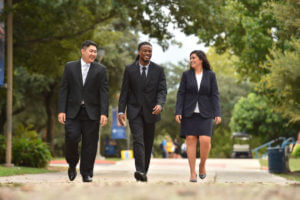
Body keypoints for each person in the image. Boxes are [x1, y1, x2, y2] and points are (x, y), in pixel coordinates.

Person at [58, 40, 109, 182]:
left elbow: (104, 93)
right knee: (71, 138)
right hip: (72, 112)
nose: (93, 54)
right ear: (83, 51)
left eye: (95, 52)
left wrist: (104, 113)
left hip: (92, 113)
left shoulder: (101, 70)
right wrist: (61, 110)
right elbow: (64, 89)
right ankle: (72, 164)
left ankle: (86, 172)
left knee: (90, 144)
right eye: (91, 51)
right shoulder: (70, 67)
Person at [118, 41, 167, 182]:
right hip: (134, 112)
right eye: (145, 51)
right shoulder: (129, 69)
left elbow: (162, 90)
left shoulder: (158, 70)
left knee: (148, 142)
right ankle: (139, 170)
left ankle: (143, 171)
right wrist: (121, 111)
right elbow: (124, 92)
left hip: (152, 112)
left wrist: (160, 104)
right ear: (139, 52)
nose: (147, 53)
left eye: (149, 51)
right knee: (138, 140)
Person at [175, 50, 221, 182]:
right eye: (190, 58)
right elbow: (181, 93)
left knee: (205, 140)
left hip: (205, 113)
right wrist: (178, 111)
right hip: (188, 112)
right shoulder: (186, 75)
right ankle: (192, 173)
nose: (191, 60)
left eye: (194, 58)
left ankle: (202, 165)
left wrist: (217, 113)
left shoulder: (211, 75)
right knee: (190, 139)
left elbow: (215, 95)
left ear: (201, 59)